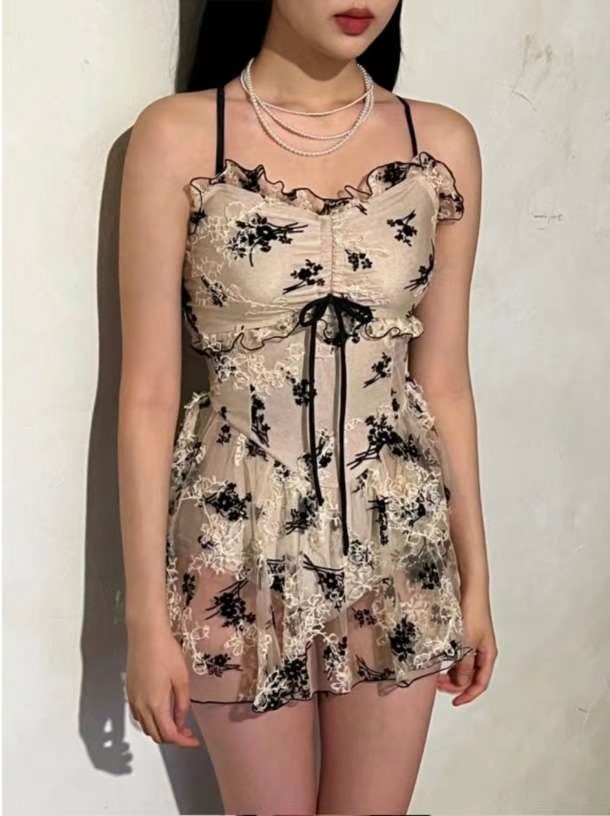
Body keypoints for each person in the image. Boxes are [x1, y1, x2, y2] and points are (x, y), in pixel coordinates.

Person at [117, 0, 497, 812]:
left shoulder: (441, 143)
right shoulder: (178, 136)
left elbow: (446, 384)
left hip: (401, 545)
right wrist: (145, 619)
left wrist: (478, 581)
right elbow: (147, 394)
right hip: (236, 546)